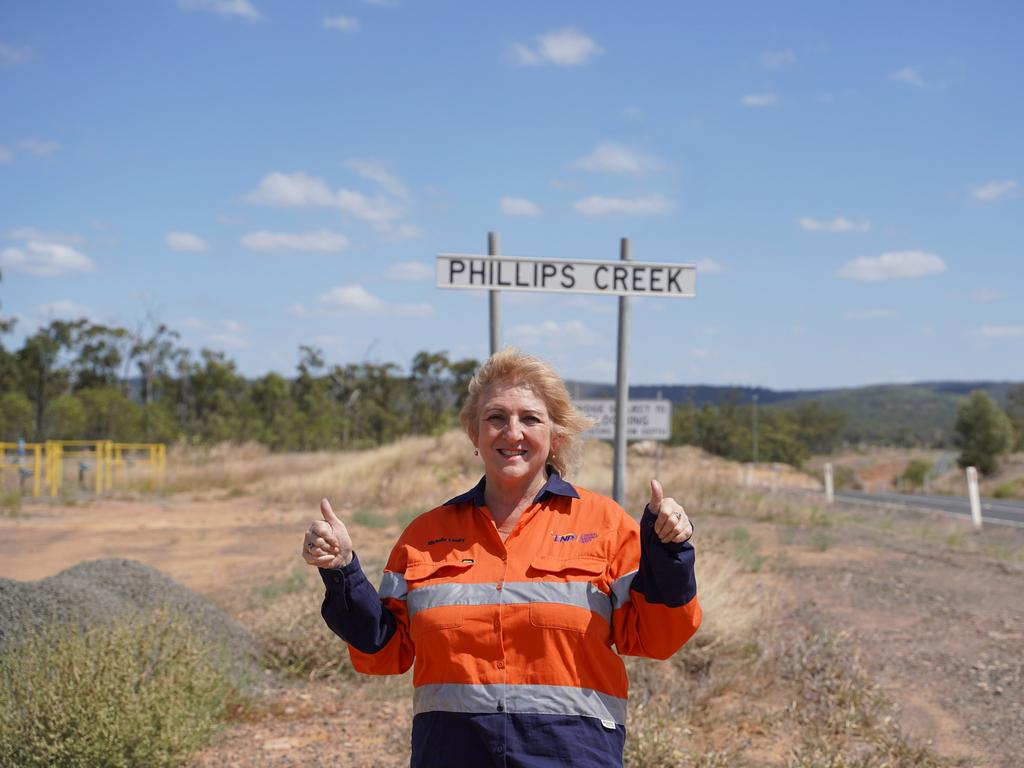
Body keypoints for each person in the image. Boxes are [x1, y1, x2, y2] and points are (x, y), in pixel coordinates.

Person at [302, 348, 700, 767]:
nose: (512, 433)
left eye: (530, 418)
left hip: (572, 756)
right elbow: (384, 652)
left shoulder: (605, 525)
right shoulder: (424, 536)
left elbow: (658, 639)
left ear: (556, 435)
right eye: (496, 418)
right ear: (474, 433)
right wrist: (342, 570)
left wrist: (669, 553)